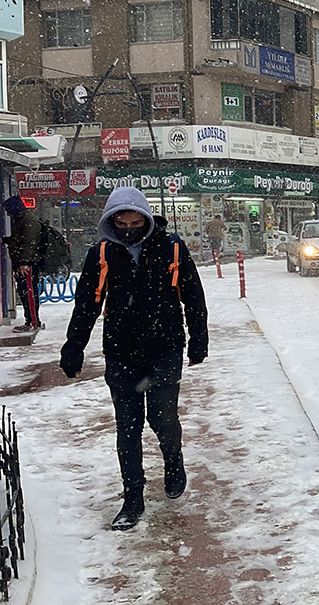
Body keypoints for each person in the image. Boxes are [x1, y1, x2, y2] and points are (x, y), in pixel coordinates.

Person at [59, 187, 208, 531]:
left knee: (163, 419)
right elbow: (87, 304)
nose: (128, 225)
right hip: (121, 352)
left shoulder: (171, 247)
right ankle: (133, 497)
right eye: (121, 220)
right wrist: (73, 346)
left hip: (164, 349)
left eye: (134, 218)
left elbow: (193, 296)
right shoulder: (102, 254)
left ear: (145, 217)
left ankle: (173, 460)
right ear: (111, 221)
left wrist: (199, 338)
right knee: (128, 427)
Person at [2, 195, 45, 332]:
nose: (8, 214)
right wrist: (6, 240)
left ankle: (33, 322)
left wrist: (24, 262)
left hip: (28, 264)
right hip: (24, 263)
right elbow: (21, 240)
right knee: (26, 292)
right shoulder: (22, 220)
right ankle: (31, 320)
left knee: (29, 293)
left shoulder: (28, 221)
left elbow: (29, 244)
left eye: (9, 210)